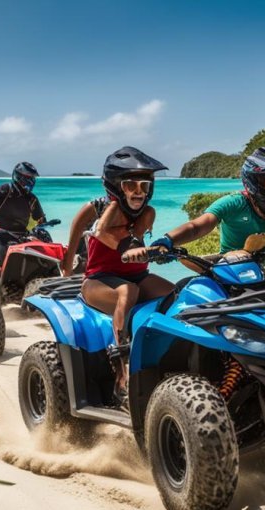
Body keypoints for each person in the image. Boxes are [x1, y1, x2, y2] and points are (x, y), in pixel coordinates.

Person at [61, 146, 174, 405]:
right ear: (115, 186)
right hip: (98, 281)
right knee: (128, 292)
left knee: (176, 294)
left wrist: (157, 250)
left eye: (144, 186)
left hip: (138, 276)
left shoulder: (148, 212)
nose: (138, 192)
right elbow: (78, 234)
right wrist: (67, 266)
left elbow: (133, 241)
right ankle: (122, 376)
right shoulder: (99, 209)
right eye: (131, 185)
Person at [150, 146, 265, 282]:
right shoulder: (234, 203)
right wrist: (168, 240)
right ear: (255, 182)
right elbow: (197, 226)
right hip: (226, 270)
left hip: (263, 269)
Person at [0, 161, 47, 266]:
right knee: (7, 264)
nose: (31, 181)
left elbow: (40, 220)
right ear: (18, 176)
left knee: (45, 257)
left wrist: (43, 224)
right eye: (28, 178)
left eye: (32, 178)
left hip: (23, 237)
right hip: (0, 237)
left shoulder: (32, 199)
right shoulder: (4, 190)